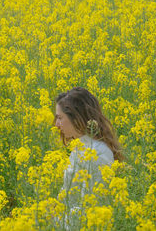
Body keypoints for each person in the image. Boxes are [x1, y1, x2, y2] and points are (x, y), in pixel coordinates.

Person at [54, 87, 124, 228]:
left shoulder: (98, 153)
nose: (56, 124)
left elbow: (92, 208)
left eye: (60, 118)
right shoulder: (80, 147)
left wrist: (54, 220)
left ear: (76, 117)